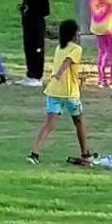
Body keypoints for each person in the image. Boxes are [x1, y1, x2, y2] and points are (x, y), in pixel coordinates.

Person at [29, 20, 95, 165]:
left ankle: (34, 153)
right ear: (73, 34)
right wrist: (60, 73)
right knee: (79, 122)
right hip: (69, 94)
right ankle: (85, 153)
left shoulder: (60, 47)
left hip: (53, 91)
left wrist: (77, 80)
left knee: (48, 125)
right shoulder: (77, 49)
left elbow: (69, 68)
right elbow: (67, 62)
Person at [20, 0, 51, 87]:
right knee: (28, 49)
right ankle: (30, 73)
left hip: (36, 25)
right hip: (28, 24)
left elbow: (45, 11)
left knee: (36, 49)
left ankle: (36, 75)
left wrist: (31, 11)